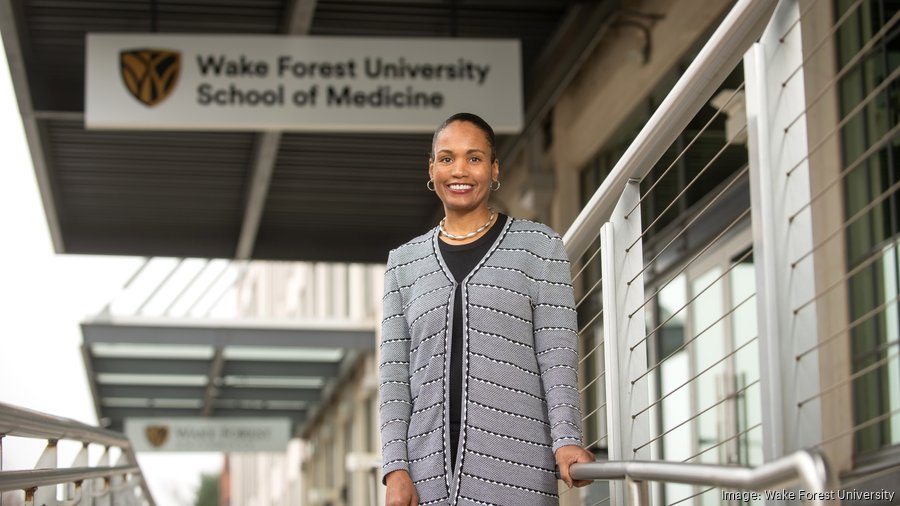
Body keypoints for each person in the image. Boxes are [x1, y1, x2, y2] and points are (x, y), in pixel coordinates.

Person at [379, 112, 593, 506]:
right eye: (447, 158)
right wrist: (396, 469)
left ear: (494, 170)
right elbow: (394, 379)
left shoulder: (539, 248)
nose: (459, 170)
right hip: (425, 478)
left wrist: (566, 441)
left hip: (519, 469)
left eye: (474, 158)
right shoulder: (403, 264)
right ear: (432, 169)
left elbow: (558, 358)